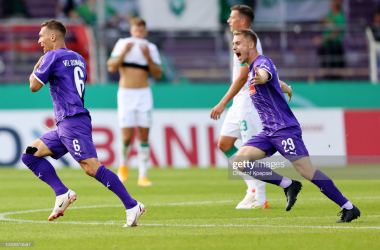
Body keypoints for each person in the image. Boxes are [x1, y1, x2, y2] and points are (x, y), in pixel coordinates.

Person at [23, 19, 145, 227]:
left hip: (72, 122)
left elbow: (34, 86)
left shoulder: (51, 56)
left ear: (53, 36)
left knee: (91, 167)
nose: (39, 40)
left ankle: (132, 205)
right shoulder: (78, 57)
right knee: (30, 154)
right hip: (68, 122)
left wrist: (36, 67)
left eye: (42, 36)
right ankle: (62, 193)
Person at [231, 29, 360, 223]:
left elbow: (266, 74)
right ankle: (288, 184)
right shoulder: (251, 69)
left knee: (307, 171)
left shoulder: (261, 64)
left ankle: (349, 207)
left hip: (284, 130)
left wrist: (263, 78)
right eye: (233, 44)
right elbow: (273, 79)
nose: (234, 47)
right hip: (269, 132)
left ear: (251, 45)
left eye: (238, 43)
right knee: (240, 161)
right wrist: (286, 87)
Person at [210, 5, 268, 209]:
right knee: (224, 144)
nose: (228, 20)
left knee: (250, 150)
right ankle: (252, 188)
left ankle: (260, 197)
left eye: (232, 17)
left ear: (243, 21)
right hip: (240, 103)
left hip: (249, 102)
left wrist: (222, 102)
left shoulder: (248, 41)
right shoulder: (241, 40)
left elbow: (243, 77)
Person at [107, 17, 162, 186]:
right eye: (136, 30)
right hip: (126, 94)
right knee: (127, 135)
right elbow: (111, 66)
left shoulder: (150, 48)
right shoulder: (123, 44)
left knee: (144, 134)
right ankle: (123, 165)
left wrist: (147, 57)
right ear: (131, 30)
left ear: (145, 32)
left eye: (141, 31)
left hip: (143, 94)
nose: (138, 34)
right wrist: (124, 52)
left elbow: (158, 74)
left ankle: (143, 174)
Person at [314, 0, 346, 80]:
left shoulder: (340, 17)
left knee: (336, 72)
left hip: (335, 47)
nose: (330, 5)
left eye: (332, 3)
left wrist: (321, 39)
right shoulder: (330, 14)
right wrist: (325, 21)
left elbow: (336, 34)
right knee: (325, 71)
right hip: (327, 47)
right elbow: (322, 20)